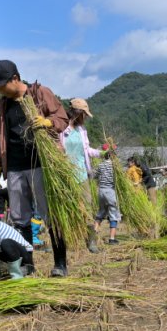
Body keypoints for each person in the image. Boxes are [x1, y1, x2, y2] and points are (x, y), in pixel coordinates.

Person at [0, 59, 69, 277]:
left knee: (50, 215)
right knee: (20, 218)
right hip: (14, 167)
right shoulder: (2, 106)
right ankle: (28, 265)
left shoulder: (40, 93)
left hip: (41, 163)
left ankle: (60, 263)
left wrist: (47, 123)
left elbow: (62, 118)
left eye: (1, 84)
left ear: (15, 78)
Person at [59, 98, 101, 253]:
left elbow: (87, 150)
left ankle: (91, 242)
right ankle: (67, 241)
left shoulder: (82, 130)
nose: (85, 118)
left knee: (87, 208)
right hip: (65, 176)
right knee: (67, 208)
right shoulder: (61, 128)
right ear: (78, 113)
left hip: (82, 174)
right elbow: (57, 149)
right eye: (84, 114)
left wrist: (102, 153)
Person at [94, 145, 121, 245]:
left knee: (101, 212)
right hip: (110, 192)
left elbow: (95, 176)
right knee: (113, 214)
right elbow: (120, 179)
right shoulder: (115, 166)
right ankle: (112, 238)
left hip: (101, 191)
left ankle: (94, 234)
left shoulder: (100, 165)